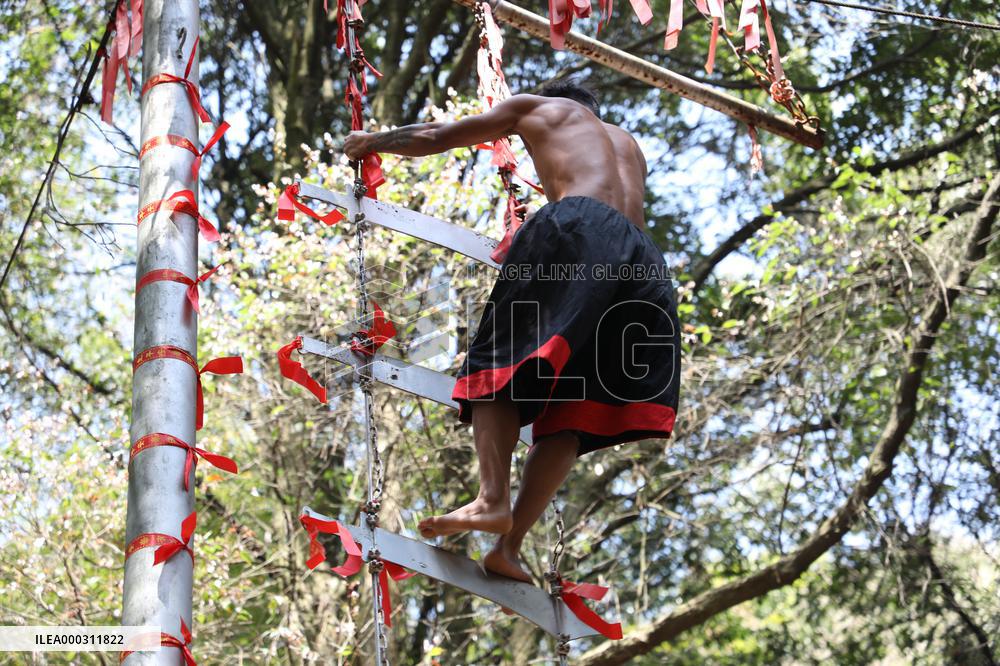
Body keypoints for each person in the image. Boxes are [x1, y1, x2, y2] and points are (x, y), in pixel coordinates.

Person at [343, 79, 680, 583]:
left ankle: (491, 498)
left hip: (581, 228)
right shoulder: (627, 144)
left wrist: (372, 142)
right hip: (641, 262)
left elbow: (437, 135)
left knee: (499, 359)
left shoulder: (541, 108)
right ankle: (509, 547)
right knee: (574, 409)